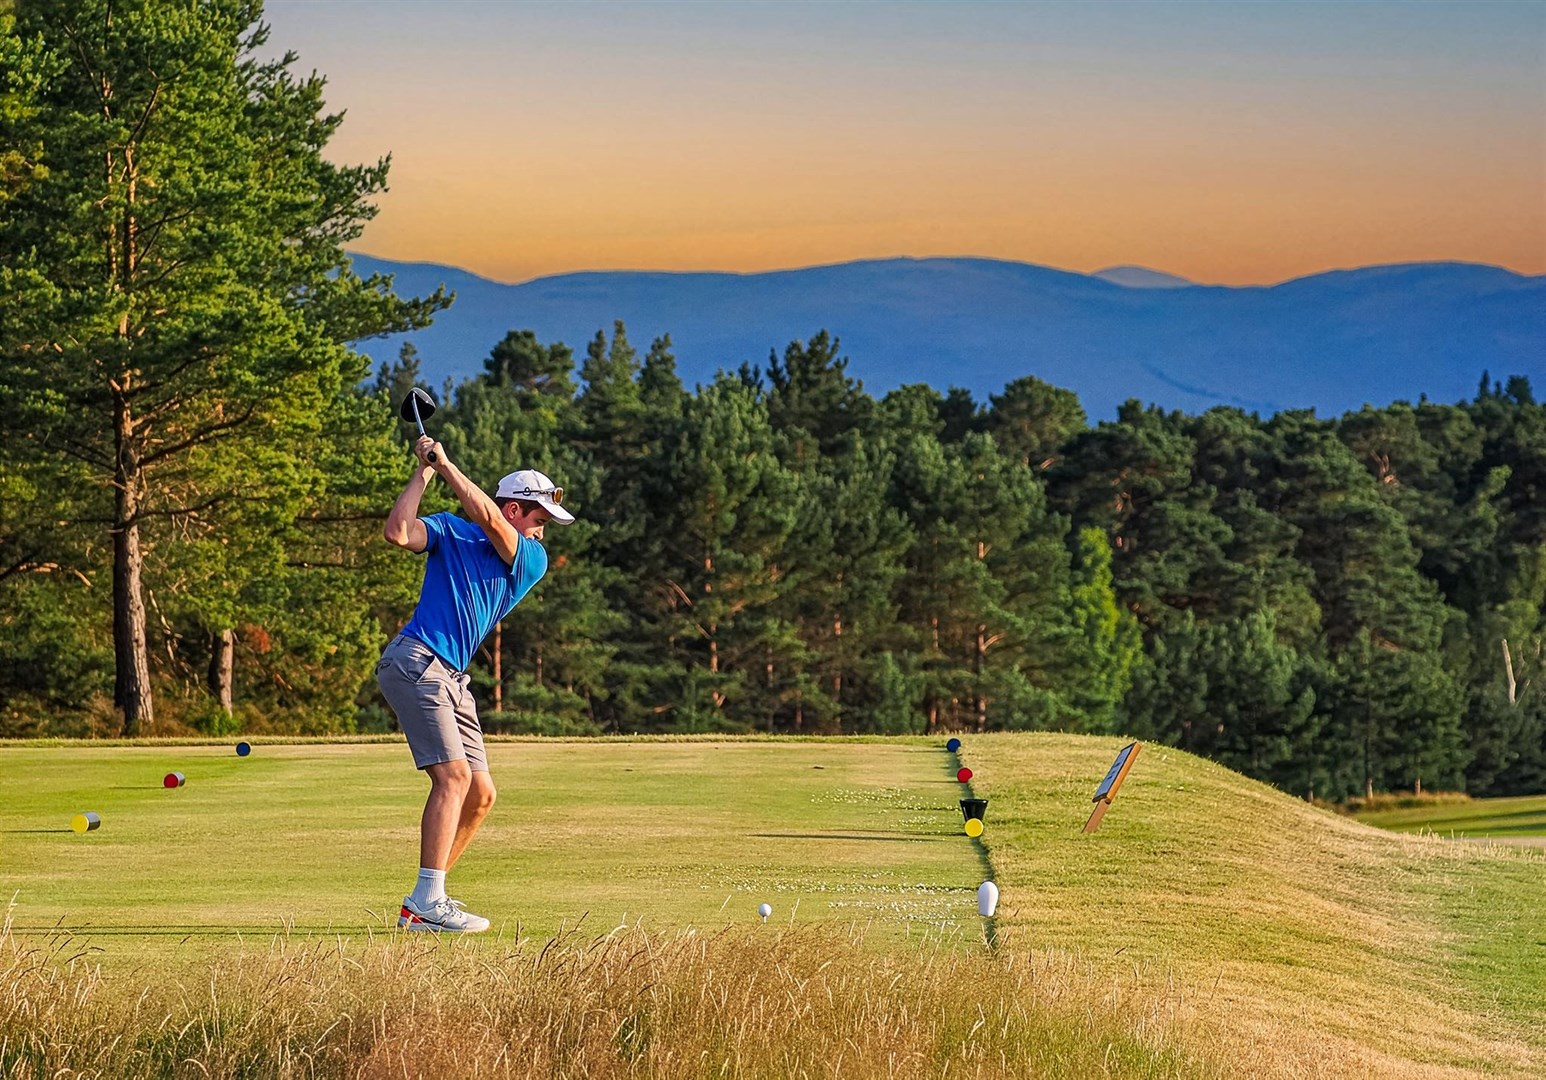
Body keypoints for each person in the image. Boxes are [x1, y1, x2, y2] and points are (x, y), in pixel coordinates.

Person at [376, 433, 573, 932]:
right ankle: (428, 901)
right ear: (515, 509)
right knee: (454, 778)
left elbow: (486, 518)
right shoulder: (451, 531)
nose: (543, 532)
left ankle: (424, 897)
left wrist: (446, 465)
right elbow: (398, 533)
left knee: (480, 794)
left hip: (451, 676)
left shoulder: (530, 559)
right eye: (540, 520)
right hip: (418, 660)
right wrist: (422, 470)